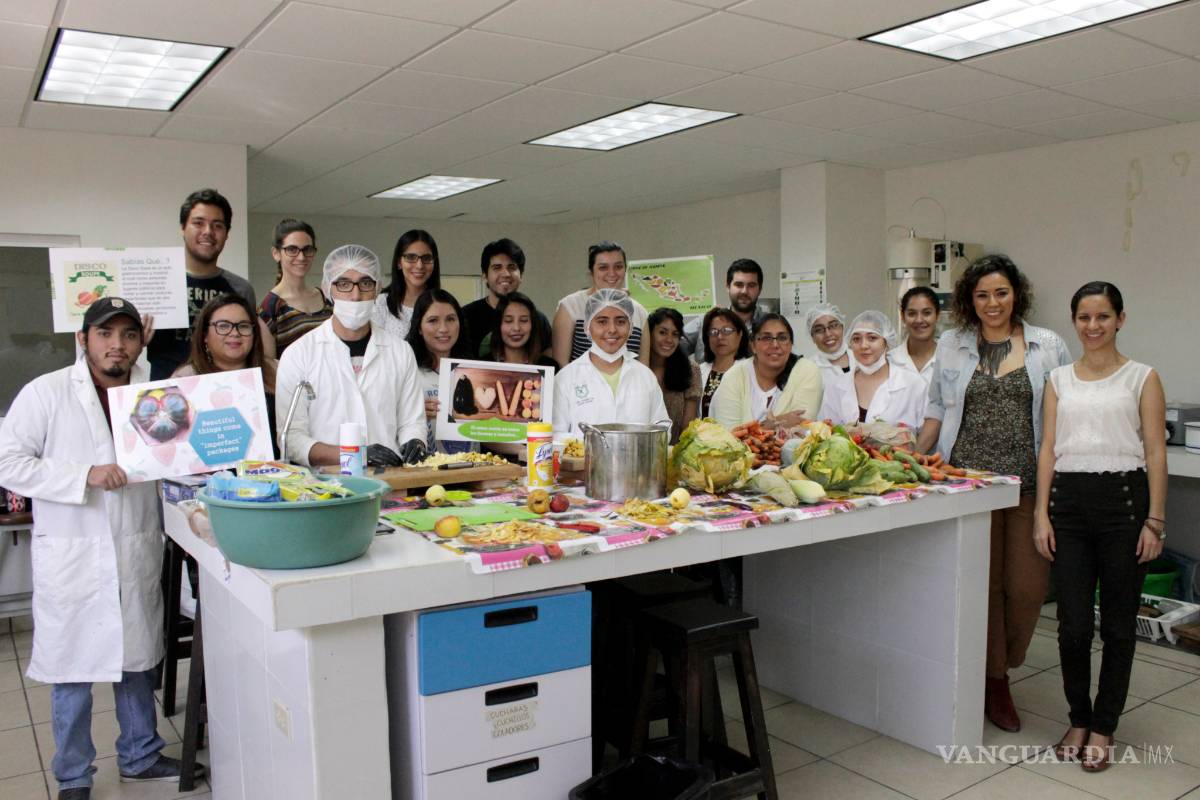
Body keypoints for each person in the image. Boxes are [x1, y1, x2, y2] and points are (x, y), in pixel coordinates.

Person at [0, 298, 203, 799]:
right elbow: (8, 462)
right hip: (74, 555)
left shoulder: (150, 395)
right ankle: (74, 776)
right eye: (105, 334)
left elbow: (172, 455)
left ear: (141, 340)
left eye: (129, 335)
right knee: (73, 672)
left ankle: (140, 754)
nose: (117, 344)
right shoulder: (45, 393)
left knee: (136, 661)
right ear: (83, 339)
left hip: (133, 544)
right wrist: (82, 475)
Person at [916, 254, 1071, 733]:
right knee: (984, 588)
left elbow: (1064, 416)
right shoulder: (954, 344)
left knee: (1027, 589)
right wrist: (910, 460)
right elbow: (937, 409)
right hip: (968, 486)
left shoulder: (1047, 345)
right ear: (969, 301)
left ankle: (1000, 664)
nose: (992, 303)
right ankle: (995, 680)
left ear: (1016, 294)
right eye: (982, 295)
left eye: (1001, 292)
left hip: (1026, 487)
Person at [1033, 282, 1166, 772]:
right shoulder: (1058, 379)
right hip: (1067, 504)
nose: (1093, 327)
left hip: (1124, 504)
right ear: (1075, 323)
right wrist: (1040, 513)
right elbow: (1048, 448)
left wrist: (1155, 520)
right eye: (1084, 318)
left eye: (1103, 317)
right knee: (1070, 625)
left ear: (1120, 320)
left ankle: (1104, 726)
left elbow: (1154, 451)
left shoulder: (1142, 378)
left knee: (1116, 625)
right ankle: (1078, 717)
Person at [276, 245, 427, 468]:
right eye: (344, 284)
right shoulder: (299, 354)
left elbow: (412, 421)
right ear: (328, 289)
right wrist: (354, 454)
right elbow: (292, 438)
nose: (356, 296)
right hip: (325, 488)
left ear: (376, 289)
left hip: (391, 484)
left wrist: (414, 441)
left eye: (365, 283)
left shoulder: (400, 351)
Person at [148, 188, 265, 379]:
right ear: (182, 227)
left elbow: (250, 348)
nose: (208, 232)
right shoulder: (156, 283)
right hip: (168, 397)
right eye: (198, 223)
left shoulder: (240, 290)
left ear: (227, 233)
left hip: (223, 395)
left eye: (217, 225)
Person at [553, 289, 669, 437]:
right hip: (584, 460)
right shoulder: (565, 379)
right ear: (588, 326)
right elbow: (556, 434)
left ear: (631, 327)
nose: (612, 329)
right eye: (602, 322)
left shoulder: (645, 377)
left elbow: (662, 428)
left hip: (636, 460)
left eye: (620, 321)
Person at [176, 293, 279, 456]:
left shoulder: (276, 371)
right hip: (207, 479)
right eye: (223, 326)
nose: (234, 333)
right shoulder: (184, 380)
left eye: (244, 326)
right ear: (204, 336)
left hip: (273, 474)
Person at [710, 314, 822, 430]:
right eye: (766, 338)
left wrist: (752, 431)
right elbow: (729, 435)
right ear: (753, 345)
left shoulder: (806, 371)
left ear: (790, 345)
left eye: (782, 338)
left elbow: (802, 427)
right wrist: (771, 425)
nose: (775, 345)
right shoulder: (735, 376)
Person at [818, 310, 927, 429]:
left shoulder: (913, 385)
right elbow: (825, 431)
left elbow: (925, 434)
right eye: (856, 339)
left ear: (887, 342)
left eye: (872, 338)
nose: (863, 345)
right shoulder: (836, 386)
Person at [552, 241, 649, 367]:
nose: (612, 273)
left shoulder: (640, 312)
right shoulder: (571, 306)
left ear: (626, 269)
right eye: (603, 267)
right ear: (591, 271)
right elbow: (561, 364)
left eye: (618, 266)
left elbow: (644, 367)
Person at [406, 289, 477, 456]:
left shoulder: (474, 372)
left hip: (474, 474)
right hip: (426, 476)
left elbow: (490, 433)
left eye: (451, 319)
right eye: (433, 321)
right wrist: (413, 414)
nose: (443, 328)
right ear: (419, 328)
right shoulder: (407, 372)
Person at [461, 238, 553, 359]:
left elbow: (546, 366)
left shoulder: (538, 320)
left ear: (521, 275)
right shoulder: (465, 316)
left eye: (511, 267)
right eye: (497, 267)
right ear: (484, 276)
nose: (505, 274)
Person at [258, 218, 331, 357]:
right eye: (292, 249)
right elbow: (268, 364)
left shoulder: (326, 298)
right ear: (276, 253)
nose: (301, 257)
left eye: (307, 249)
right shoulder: (270, 308)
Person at [682, 258, 768, 360]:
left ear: (760, 289)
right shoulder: (706, 321)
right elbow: (670, 348)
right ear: (728, 286)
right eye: (739, 285)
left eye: (751, 285)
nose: (744, 291)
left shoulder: (770, 325)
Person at [374, 229, 440, 340]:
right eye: (410, 257)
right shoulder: (381, 303)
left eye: (427, 258)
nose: (419, 265)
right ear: (399, 263)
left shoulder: (443, 303)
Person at [647, 308, 700, 443]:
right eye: (662, 332)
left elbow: (688, 428)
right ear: (649, 334)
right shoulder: (636, 367)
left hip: (675, 451)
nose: (669, 340)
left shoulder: (690, 369)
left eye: (675, 334)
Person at [697, 307, 751, 419]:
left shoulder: (751, 370)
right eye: (713, 332)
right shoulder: (698, 371)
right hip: (700, 435)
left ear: (740, 334)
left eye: (726, 331)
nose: (720, 337)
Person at [488, 292, 558, 369]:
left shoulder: (549, 366)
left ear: (532, 324)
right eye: (508, 321)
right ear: (498, 325)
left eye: (524, 320)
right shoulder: (483, 365)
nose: (516, 328)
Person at [889, 286, 940, 389]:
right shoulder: (890, 360)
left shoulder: (950, 359)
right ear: (903, 317)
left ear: (937, 315)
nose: (919, 320)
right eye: (912, 314)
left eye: (927, 313)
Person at [806, 303, 851, 382]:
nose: (828, 334)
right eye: (819, 330)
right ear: (812, 337)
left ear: (842, 328)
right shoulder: (808, 370)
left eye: (833, 326)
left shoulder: (861, 359)